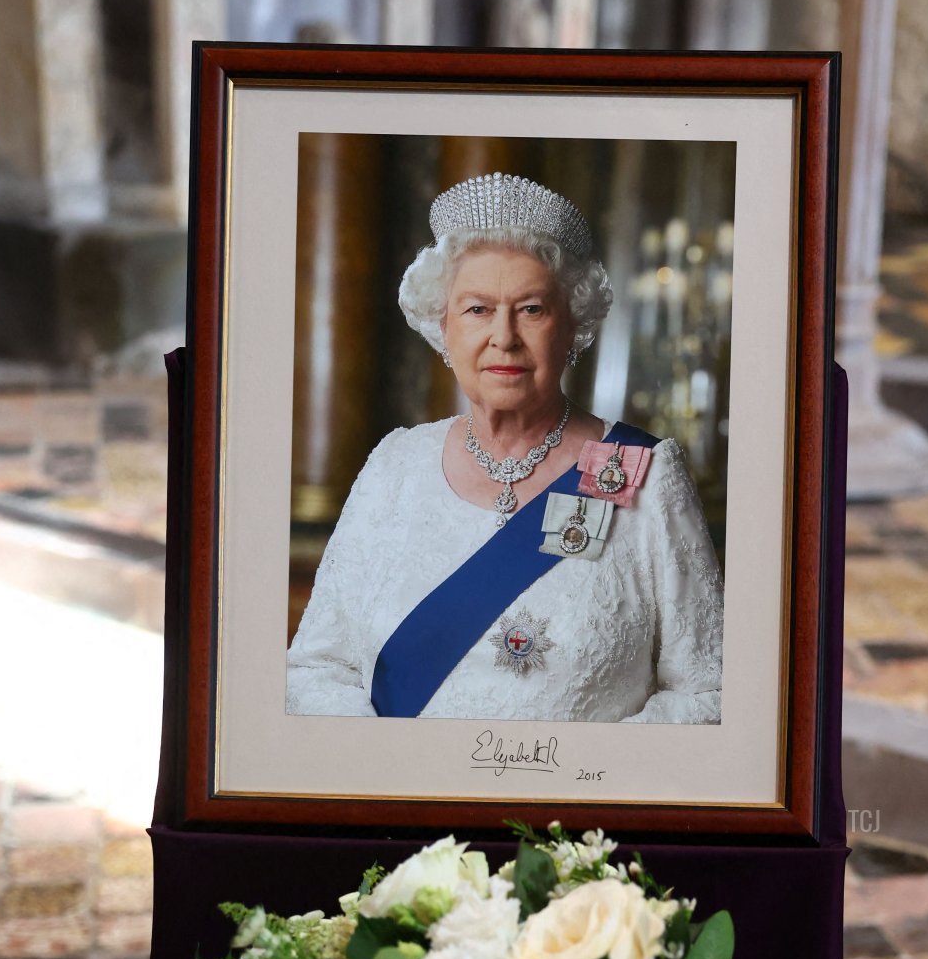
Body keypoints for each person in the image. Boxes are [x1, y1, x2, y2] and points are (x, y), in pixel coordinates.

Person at [285, 171, 723, 723]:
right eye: (477, 309)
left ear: (573, 327)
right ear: (444, 327)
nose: (504, 336)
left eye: (532, 309)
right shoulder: (394, 465)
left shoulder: (643, 473)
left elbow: (710, 691)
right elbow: (317, 668)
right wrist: (388, 779)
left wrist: (583, 784)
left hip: (578, 807)